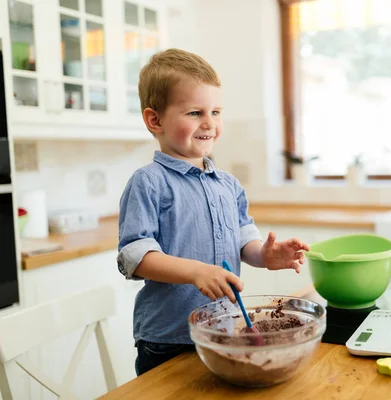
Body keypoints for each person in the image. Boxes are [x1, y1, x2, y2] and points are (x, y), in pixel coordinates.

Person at [117, 48, 309, 376]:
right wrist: (196, 271)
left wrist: (264, 256)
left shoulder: (228, 184)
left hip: (222, 330)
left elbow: (242, 236)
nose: (209, 123)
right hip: (168, 339)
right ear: (155, 119)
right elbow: (135, 257)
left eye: (216, 112)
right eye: (194, 112)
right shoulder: (148, 183)